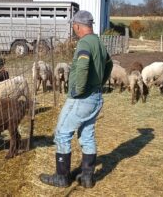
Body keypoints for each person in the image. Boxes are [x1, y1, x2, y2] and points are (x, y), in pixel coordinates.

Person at [39, 10, 113, 188]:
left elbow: (82, 67)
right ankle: (87, 177)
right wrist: (100, 83)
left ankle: (62, 177)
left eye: (74, 26)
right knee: (87, 135)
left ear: (78, 26)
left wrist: (77, 90)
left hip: (82, 98)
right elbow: (109, 64)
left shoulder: (84, 43)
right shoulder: (99, 43)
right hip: (95, 96)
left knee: (62, 133)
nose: (73, 29)